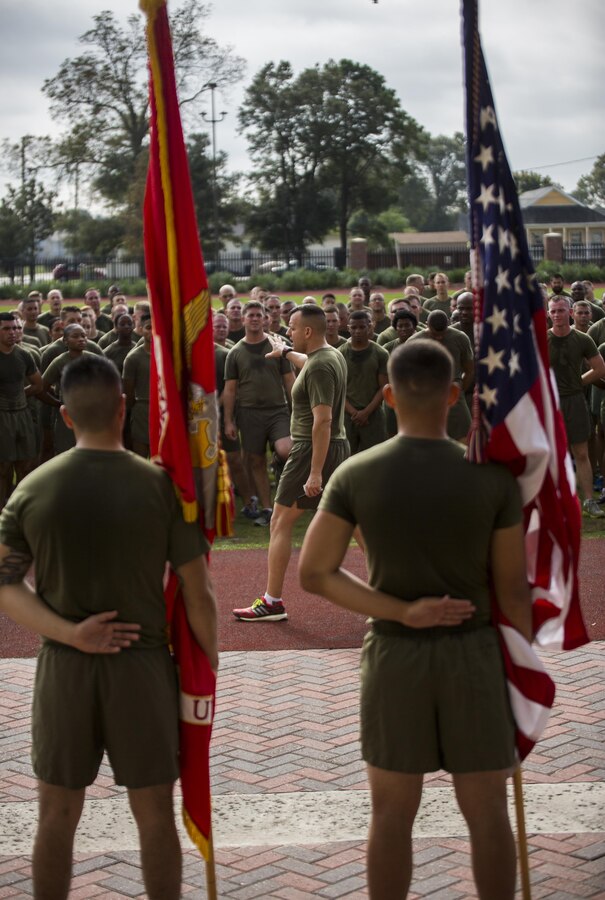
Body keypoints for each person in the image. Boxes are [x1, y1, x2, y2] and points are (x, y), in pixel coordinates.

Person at [299, 339, 531, 900]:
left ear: (387, 395)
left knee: (392, 814)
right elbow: (513, 593)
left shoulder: (355, 473)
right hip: (474, 653)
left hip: (396, 653)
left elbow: (314, 573)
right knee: (488, 815)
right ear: (455, 394)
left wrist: (404, 610)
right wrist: (521, 667)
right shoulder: (493, 478)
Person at [0, 354, 217, 900]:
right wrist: (206, 668)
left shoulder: (30, 491)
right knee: (153, 815)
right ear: (124, 407)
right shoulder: (161, 488)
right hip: (141, 668)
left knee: (56, 814)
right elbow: (200, 594)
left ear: (67, 417)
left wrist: (71, 633)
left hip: (65, 668)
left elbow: (5, 585)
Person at [233, 304, 348, 621]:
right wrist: (284, 351)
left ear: (308, 332)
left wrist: (313, 473)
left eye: (293, 328)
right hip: (335, 447)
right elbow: (307, 362)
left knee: (280, 522)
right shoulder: (330, 355)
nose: (289, 332)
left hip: (312, 450)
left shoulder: (320, 367)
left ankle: (272, 602)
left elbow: (321, 421)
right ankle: (390, 591)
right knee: (357, 523)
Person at [223, 301, 294, 525]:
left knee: (285, 450)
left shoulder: (277, 345)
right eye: (250, 315)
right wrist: (228, 421)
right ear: (243, 319)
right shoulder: (235, 353)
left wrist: (298, 410)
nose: (254, 319)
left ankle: (286, 495)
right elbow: (230, 390)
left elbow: (289, 381)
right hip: (248, 413)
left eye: (258, 315)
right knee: (255, 461)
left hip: (277, 410)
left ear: (265, 319)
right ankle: (267, 509)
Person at [548, 297, 605, 518]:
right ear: (548, 313)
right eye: (553, 311)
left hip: (574, 400)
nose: (557, 315)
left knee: (581, 452)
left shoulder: (582, 339)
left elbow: (600, 369)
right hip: (550, 402)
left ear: (570, 312)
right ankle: (554, 500)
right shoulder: (542, 339)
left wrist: (578, 382)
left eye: (561, 311)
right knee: (552, 454)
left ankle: (589, 500)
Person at [0, 313, 43, 509]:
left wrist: (18, 396)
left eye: (16, 328)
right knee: (3, 468)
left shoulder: (24, 354)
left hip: (22, 414)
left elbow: (38, 384)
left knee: (25, 465)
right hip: (2, 418)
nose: (13, 333)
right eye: (7, 329)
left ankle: (20, 508)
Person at [339, 310, 389, 454]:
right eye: (354, 328)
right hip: (348, 416)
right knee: (346, 459)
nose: (358, 331)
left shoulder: (380, 353)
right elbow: (338, 389)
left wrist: (366, 412)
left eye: (362, 327)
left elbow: (384, 387)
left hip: (373, 416)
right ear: (348, 328)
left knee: (376, 458)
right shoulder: (340, 354)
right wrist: (354, 412)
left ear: (370, 327)